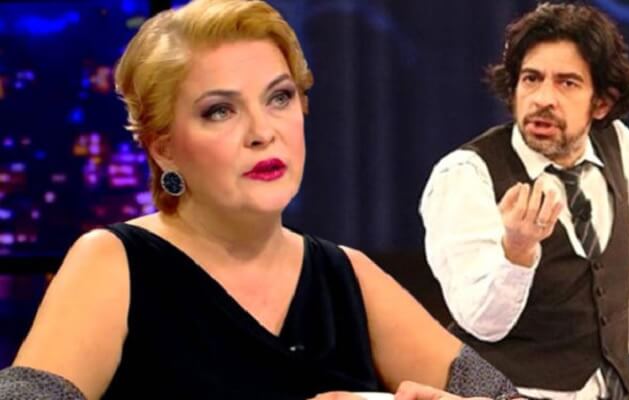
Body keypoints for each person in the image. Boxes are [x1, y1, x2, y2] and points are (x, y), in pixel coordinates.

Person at [0, 0, 520, 399]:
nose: (262, 132)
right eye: (219, 111)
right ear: (164, 148)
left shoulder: (348, 277)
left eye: (279, 98)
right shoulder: (114, 264)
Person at [419, 3, 629, 400]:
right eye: (531, 79)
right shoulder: (465, 175)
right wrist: (516, 252)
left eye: (567, 83)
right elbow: (480, 322)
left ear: (602, 102)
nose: (543, 99)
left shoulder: (619, 147)